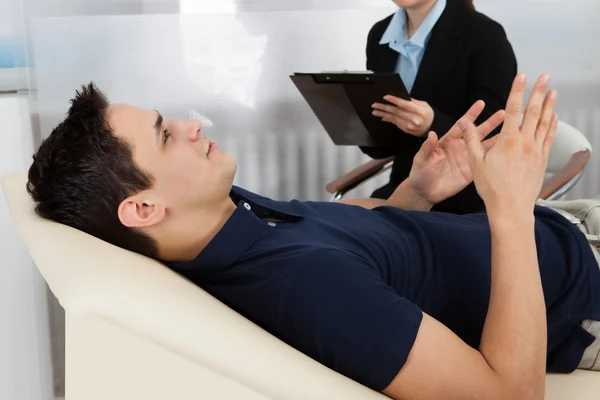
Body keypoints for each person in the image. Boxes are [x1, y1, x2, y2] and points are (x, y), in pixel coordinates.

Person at [26, 74, 600, 400]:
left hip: (558, 234)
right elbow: (509, 398)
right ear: (145, 207)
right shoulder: (302, 287)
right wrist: (512, 208)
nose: (191, 124)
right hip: (582, 290)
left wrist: (418, 194)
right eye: (166, 134)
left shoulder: (233, 223)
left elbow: (356, 242)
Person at [364, 0, 517, 214]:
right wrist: (356, 119)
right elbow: (382, 146)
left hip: (466, 201)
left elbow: (494, 133)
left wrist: (432, 123)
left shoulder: (485, 34)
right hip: (403, 192)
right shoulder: (380, 34)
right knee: (323, 222)